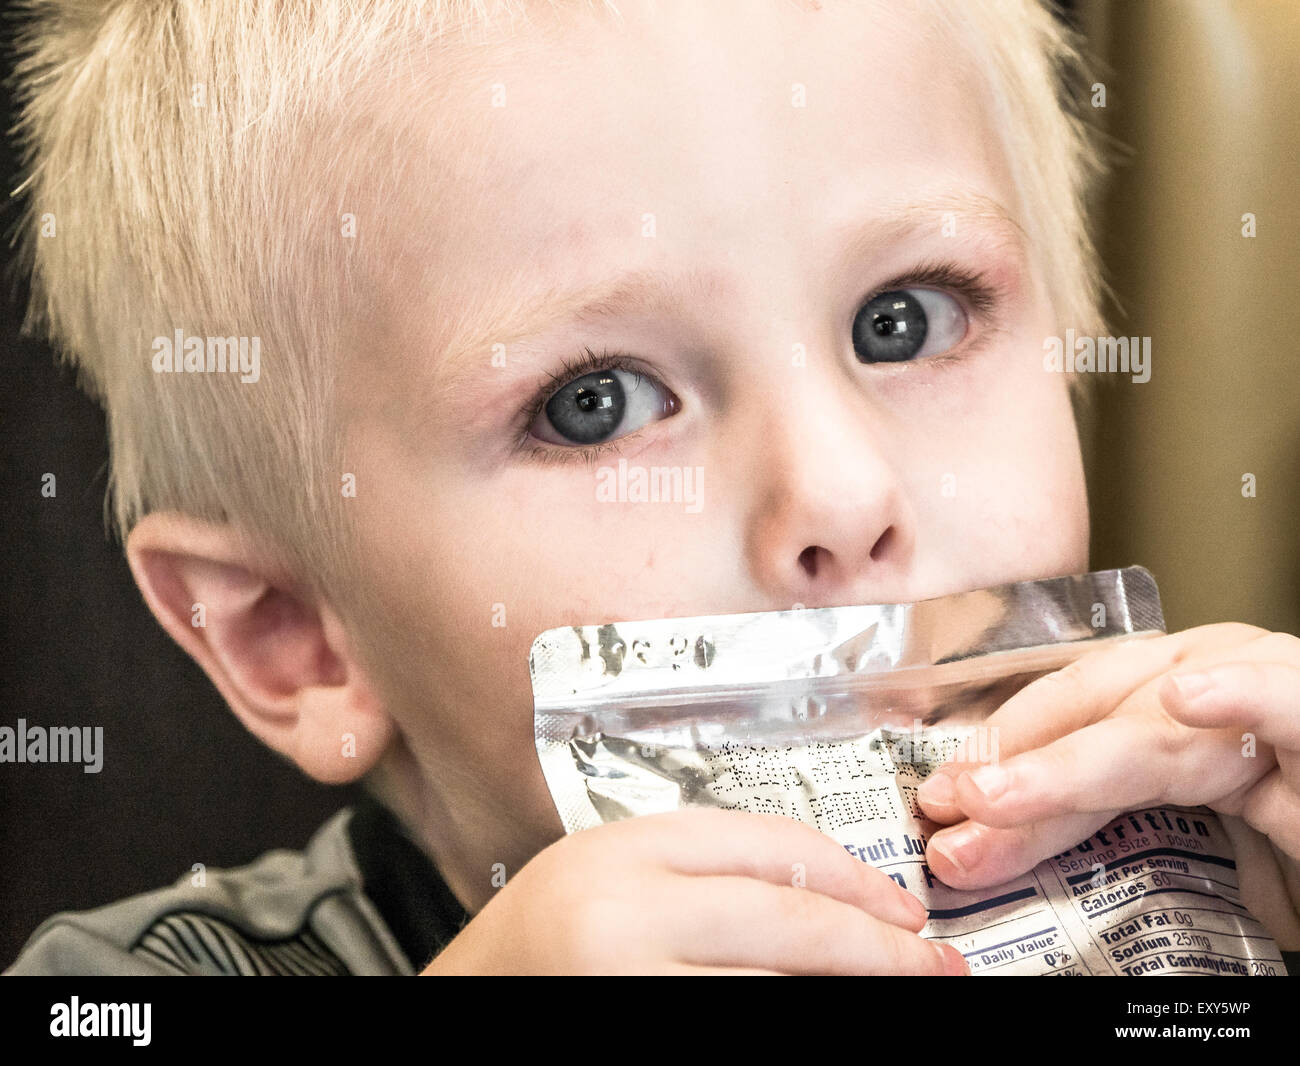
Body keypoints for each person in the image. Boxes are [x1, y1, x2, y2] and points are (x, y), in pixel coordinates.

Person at [7, 0, 1298, 975]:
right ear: (293, 636)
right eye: (597, 403)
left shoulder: (1243, 895)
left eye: (903, 320)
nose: (844, 497)